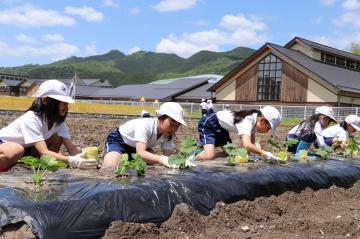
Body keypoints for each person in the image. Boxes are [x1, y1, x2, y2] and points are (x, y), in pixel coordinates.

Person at [0, 80, 97, 172]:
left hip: (27, 148)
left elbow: (72, 150)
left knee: (57, 138)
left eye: (66, 103)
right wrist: (70, 160)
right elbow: (44, 151)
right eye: (63, 103)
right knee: (16, 150)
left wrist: (86, 159)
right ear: (45, 100)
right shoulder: (31, 118)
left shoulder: (59, 123)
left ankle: (37, 167)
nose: (66, 107)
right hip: (4, 144)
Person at [101, 102, 191, 169]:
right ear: (160, 118)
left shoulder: (168, 135)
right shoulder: (145, 125)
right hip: (120, 142)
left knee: (149, 165)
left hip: (138, 148)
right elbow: (141, 153)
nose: (174, 129)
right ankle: (109, 155)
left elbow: (167, 157)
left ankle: (128, 159)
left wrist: (177, 162)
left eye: (177, 126)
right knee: (110, 167)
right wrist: (163, 160)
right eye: (172, 124)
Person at [194, 106, 282, 161]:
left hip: (222, 128)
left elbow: (251, 141)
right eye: (268, 128)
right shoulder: (248, 120)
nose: (267, 131)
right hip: (210, 123)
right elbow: (247, 144)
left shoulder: (255, 120)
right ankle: (193, 158)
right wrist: (263, 153)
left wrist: (250, 155)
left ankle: (205, 152)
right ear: (262, 120)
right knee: (209, 156)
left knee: (230, 153)